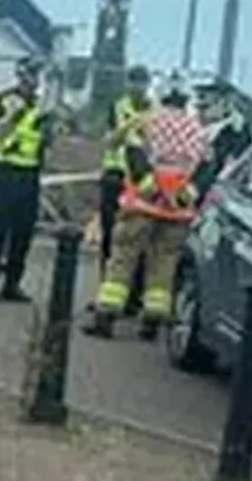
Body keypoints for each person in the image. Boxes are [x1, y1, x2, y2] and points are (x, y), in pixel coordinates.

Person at [84, 73, 207, 341]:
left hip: (143, 203)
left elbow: (133, 152)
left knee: (123, 259)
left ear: (162, 96)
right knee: (164, 264)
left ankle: (106, 316)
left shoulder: (148, 122)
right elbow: (207, 166)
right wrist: (188, 192)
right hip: (178, 211)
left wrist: (149, 184)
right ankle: (152, 321)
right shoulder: (197, 130)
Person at [0, 57, 55, 302]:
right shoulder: (5, 99)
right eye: (29, 75)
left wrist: (49, 130)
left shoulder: (43, 105)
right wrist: (13, 116)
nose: (33, 81)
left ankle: (12, 284)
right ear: (20, 75)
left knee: (23, 233)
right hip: (5, 172)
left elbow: (47, 141)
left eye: (36, 76)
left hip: (30, 175)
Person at [93, 65, 154, 314]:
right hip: (116, 177)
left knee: (139, 238)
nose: (135, 86)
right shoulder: (118, 107)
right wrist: (128, 127)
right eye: (132, 81)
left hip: (143, 181)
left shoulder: (156, 111)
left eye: (140, 82)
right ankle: (106, 293)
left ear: (148, 84)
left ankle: (133, 297)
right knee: (111, 237)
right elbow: (109, 141)